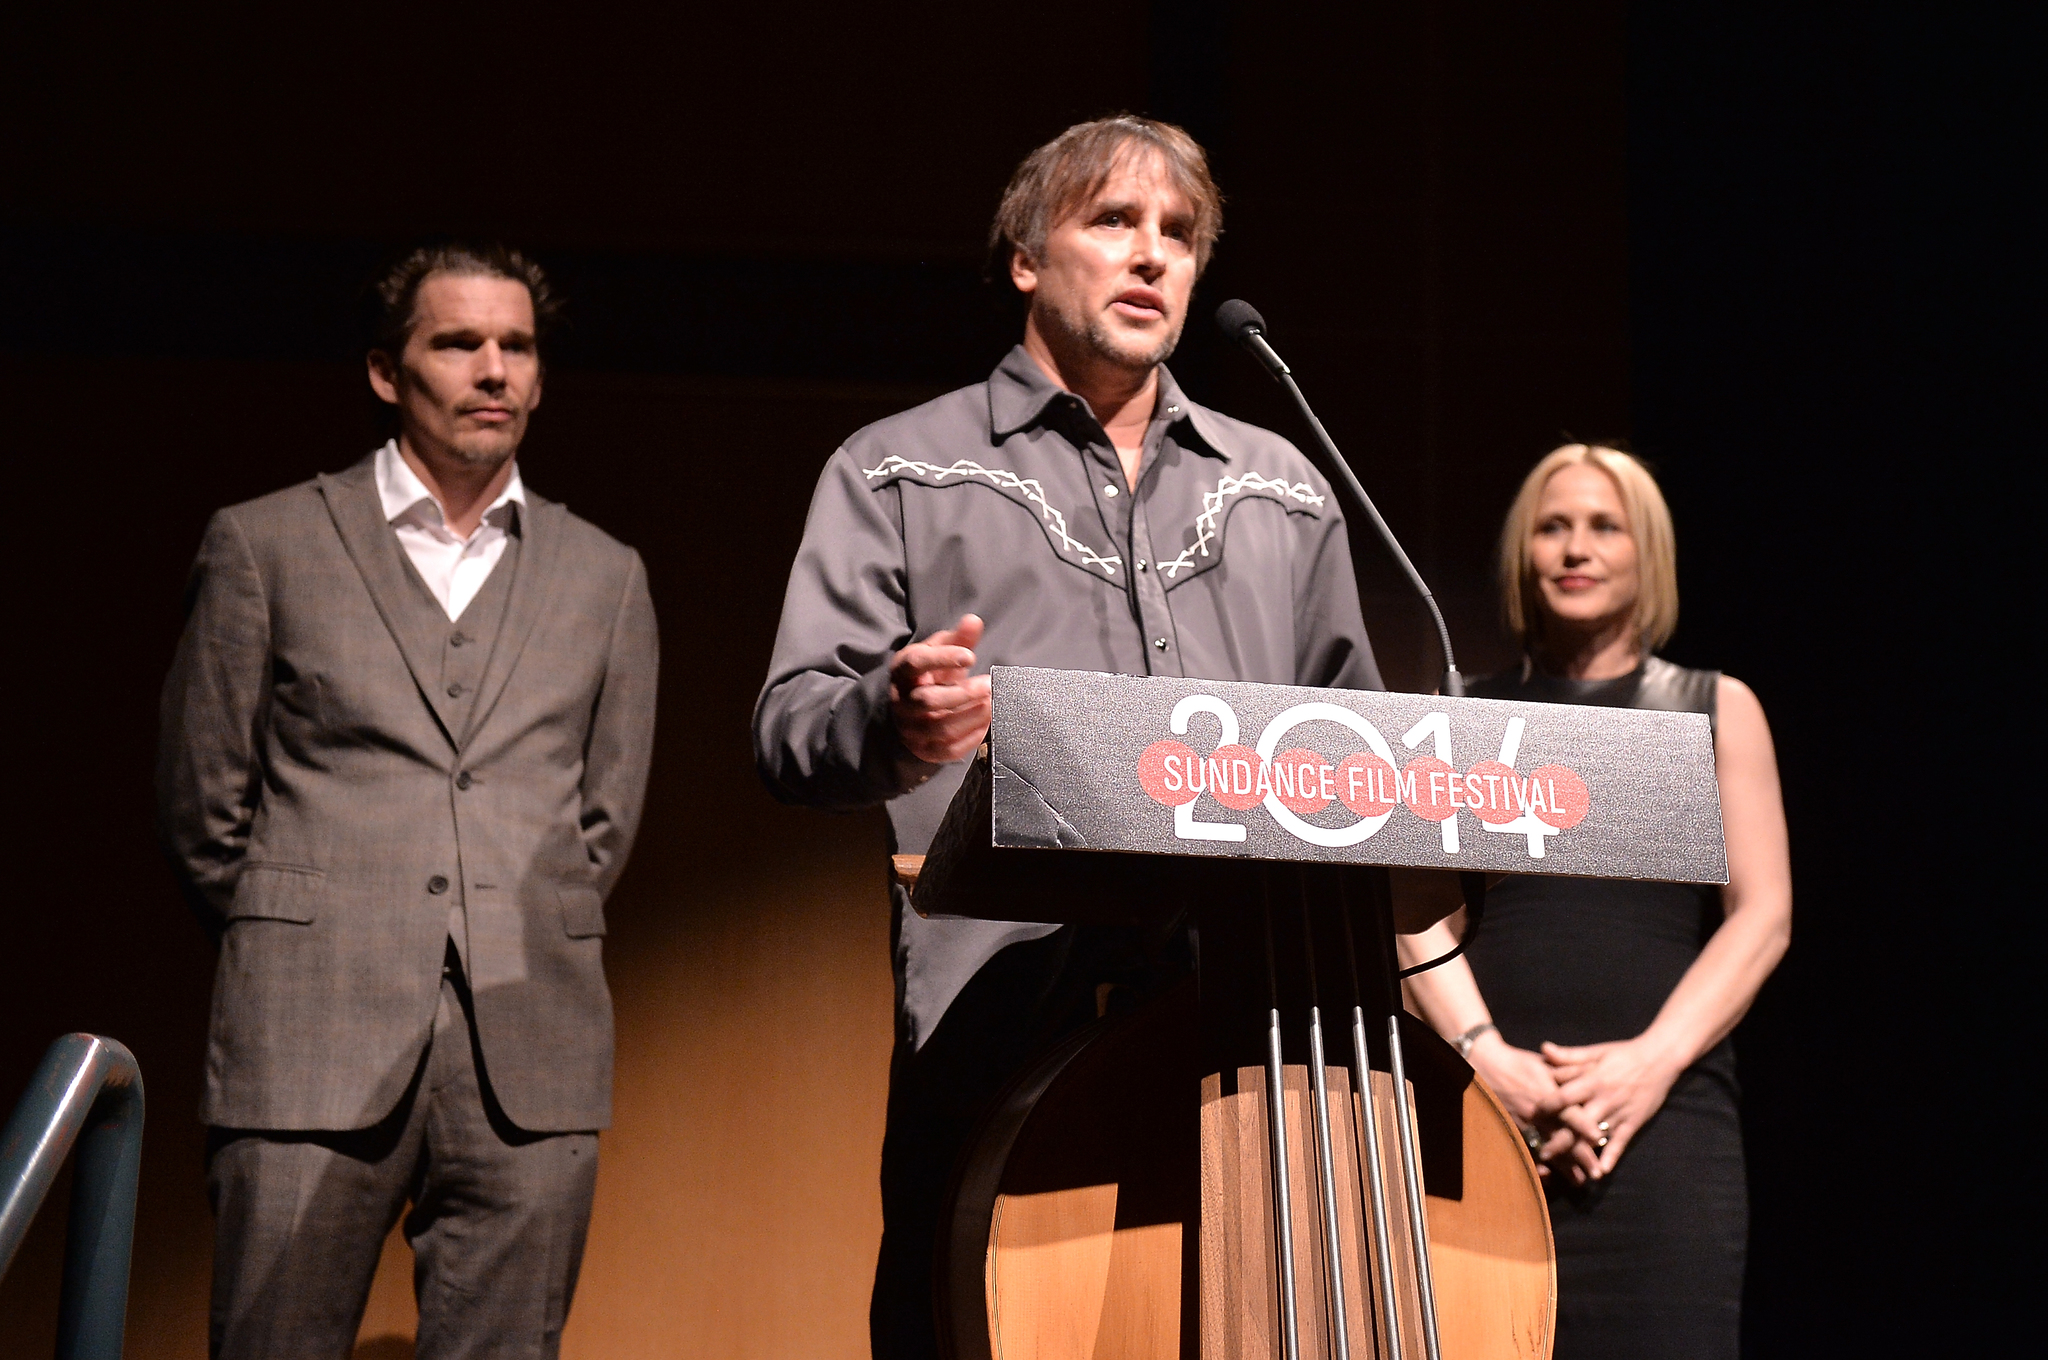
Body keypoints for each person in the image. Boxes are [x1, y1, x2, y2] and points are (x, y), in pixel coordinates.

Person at [753, 115, 1383, 1357]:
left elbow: (1353, 754)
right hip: (999, 1021)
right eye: (1112, 221)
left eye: (1179, 234)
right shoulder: (897, 472)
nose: (1152, 255)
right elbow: (785, 728)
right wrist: (892, 715)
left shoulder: (1284, 490)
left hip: (1245, 1025)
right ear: (1025, 257)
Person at [157, 242, 659, 1360]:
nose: (493, 370)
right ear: (389, 372)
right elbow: (204, 803)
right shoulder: (267, 541)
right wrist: (309, 934)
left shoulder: (603, 573)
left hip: (529, 1045)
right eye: (459, 343)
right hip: (307, 1033)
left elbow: (603, 819)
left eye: (517, 346)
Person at [1400, 443, 1791, 1358]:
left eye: (1604, 527)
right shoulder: (1458, 711)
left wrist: (1646, 1066)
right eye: (1553, 527)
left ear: (1645, 550)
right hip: (1484, 1125)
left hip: (1665, 1137)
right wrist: (1487, 1059)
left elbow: (1763, 916)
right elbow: (1411, 918)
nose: (1576, 549)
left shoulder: (1714, 707)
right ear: (1522, 556)